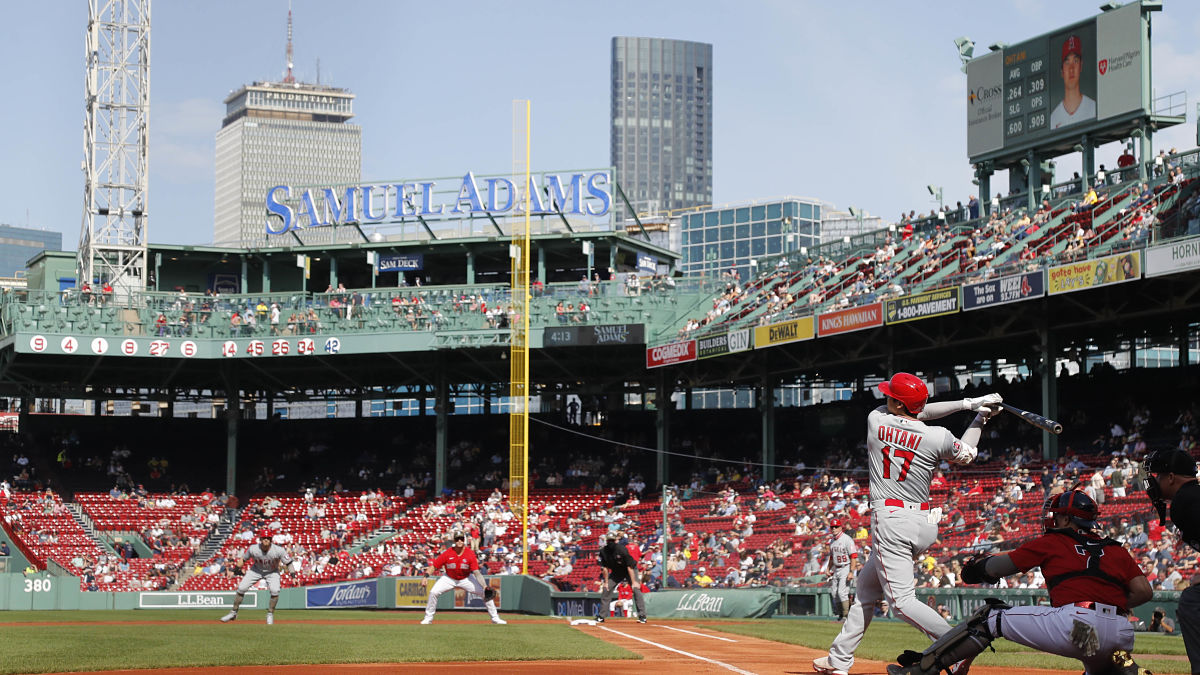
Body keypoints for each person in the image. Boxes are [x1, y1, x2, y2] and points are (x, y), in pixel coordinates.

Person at [813, 373, 1001, 675]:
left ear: (898, 403)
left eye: (891, 396)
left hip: (892, 522)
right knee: (865, 590)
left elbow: (916, 411)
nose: (885, 398)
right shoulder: (937, 436)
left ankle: (959, 645)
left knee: (901, 602)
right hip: (923, 521)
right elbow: (967, 452)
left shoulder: (877, 419)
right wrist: (979, 414)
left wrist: (971, 404)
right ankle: (839, 659)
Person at [886, 489, 1152, 675]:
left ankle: (922, 670)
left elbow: (997, 568)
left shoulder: (1054, 540)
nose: (1053, 519)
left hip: (1078, 624)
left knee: (990, 616)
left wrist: (976, 568)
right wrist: (1109, 604)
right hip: (1120, 632)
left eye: (1057, 515)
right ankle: (1127, 669)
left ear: (1067, 519)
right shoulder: (1116, 548)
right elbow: (1143, 591)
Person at [1143, 448, 1200, 668]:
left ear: (1171, 477)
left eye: (1158, 476)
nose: (1154, 482)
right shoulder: (1192, 496)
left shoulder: (1184, 501)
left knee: (1192, 601)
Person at [421, 532, 505, 625]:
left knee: (485, 593)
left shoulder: (470, 554)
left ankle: (495, 618)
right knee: (433, 592)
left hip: (466, 578)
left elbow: (476, 572)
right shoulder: (448, 553)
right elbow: (434, 566)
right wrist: (425, 577)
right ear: (454, 540)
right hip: (449, 578)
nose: (459, 541)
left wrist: (484, 586)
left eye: (461, 539)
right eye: (457, 539)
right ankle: (428, 618)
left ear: (464, 540)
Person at [220, 530, 297, 625]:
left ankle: (270, 614)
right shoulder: (253, 548)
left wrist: (293, 576)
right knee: (241, 588)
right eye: (264, 538)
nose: (266, 540)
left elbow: (289, 563)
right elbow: (243, 560)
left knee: (275, 591)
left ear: (271, 540)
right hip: (256, 570)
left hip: (272, 572)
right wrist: (233, 571)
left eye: (268, 538)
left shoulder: (279, 550)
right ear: (260, 539)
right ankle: (233, 613)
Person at [596, 532, 646, 623]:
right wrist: (606, 582)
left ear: (615, 540)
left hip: (629, 569)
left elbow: (629, 566)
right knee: (606, 589)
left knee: (636, 589)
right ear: (606, 541)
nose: (610, 542)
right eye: (609, 540)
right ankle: (601, 616)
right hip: (617, 572)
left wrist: (634, 581)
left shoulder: (621, 549)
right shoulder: (603, 551)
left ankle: (642, 615)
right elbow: (605, 568)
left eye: (612, 540)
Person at [1050, 35, 1096, 129]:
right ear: (1062, 71)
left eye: (1075, 61)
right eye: (1067, 63)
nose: (1071, 68)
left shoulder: (1093, 108)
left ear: (1081, 66)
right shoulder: (1053, 118)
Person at [828, 518, 859, 622]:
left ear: (841, 527)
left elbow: (853, 556)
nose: (834, 529)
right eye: (832, 527)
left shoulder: (847, 539)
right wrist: (828, 568)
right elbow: (832, 557)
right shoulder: (832, 541)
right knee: (834, 593)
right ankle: (841, 615)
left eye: (836, 526)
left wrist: (851, 571)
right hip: (836, 568)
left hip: (846, 567)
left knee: (842, 592)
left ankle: (846, 616)